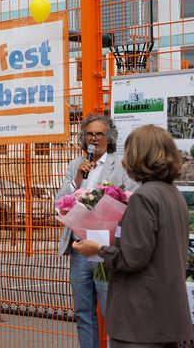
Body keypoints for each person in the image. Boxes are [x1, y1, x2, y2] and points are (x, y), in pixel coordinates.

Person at [72, 124, 194, 347]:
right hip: (166, 316)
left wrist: (97, 249)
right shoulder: (173, 194)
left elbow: (132, 258)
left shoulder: (144, 197)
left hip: (140, 318)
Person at [56, 115, 138, 348]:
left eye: (99, 134)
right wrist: (78, 178)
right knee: (83, 312)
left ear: (109, 137)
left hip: (105, 249)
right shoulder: (75, 165)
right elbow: (61, 201)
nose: (94, 138)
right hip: (80, 247)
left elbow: (131, 201)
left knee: (111, 310)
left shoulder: (121, 166)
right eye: (89, 134)